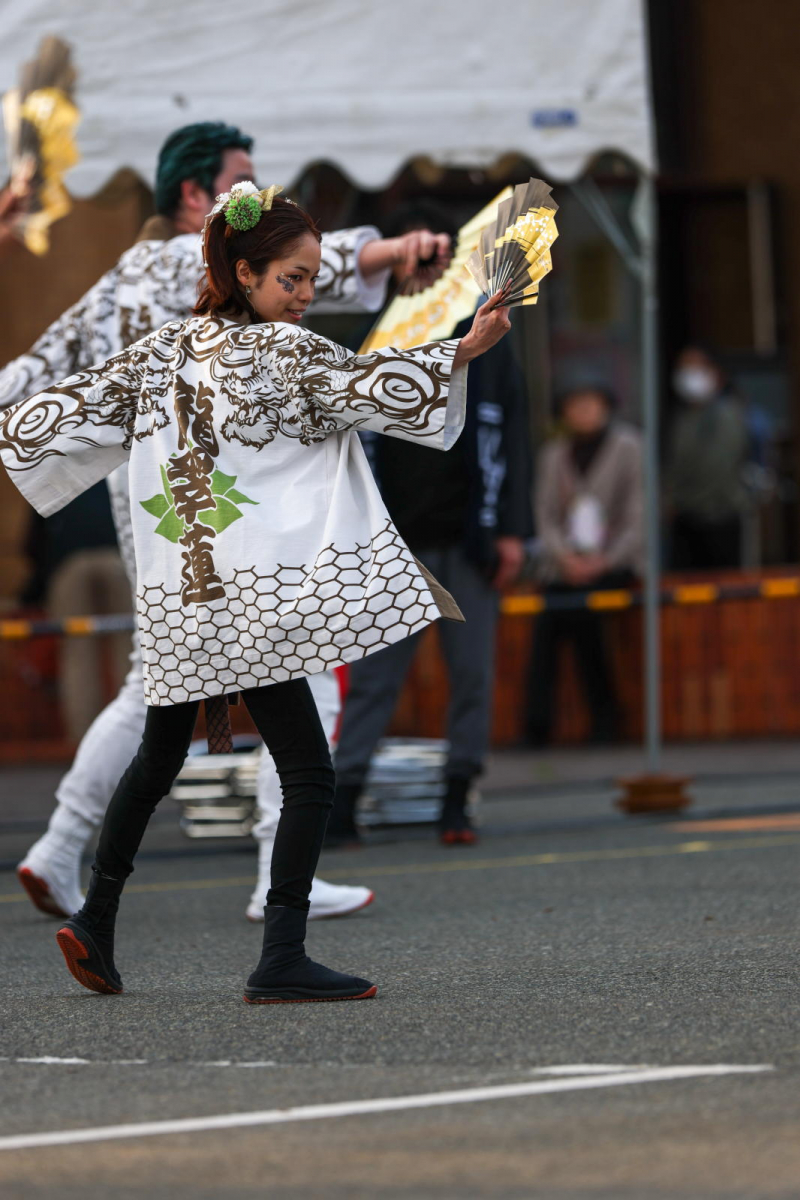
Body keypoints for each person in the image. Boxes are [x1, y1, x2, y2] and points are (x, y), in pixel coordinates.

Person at [0, 182, 511, 1002]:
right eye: (292, 279)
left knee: (157, 756)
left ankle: (95, 918)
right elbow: (370, 386)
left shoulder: (161, 349)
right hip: (254, 600)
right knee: (309, 770)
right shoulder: (285, 354)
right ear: (244, 273)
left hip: (179, 595)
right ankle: (281, 954)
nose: (306, 295)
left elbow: (56, 415)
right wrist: (463, 350)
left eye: (312, 279)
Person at [324, 209, 533, 846]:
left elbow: (513, 434)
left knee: (471, 674)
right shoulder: (376, 334)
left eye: (439, 259)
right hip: (391, 542)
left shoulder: (487, 334)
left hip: (468, 535)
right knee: (374, 680)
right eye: (417, 258)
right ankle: (344, 799)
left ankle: (457, 798)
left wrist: (512, 531)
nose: (427, 270)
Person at [526, 385, 642, 746]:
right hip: (564, 566)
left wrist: (603, 561)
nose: (583, 412)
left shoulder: (629, 447)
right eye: (574, 405)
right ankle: (537, 726)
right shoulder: (554, 453)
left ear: (606, 407)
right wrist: (565, 559)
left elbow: (639, 517)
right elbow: (543, 516)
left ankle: (605, 721)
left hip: (614, 563)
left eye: (591, 404)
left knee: (587, 622)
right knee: (546, 627)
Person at [666, 346, 748, 570]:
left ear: (715, 374)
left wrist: (679, 499)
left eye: (696, 367)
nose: (689, 373)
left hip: (719, 516)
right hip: (686, 519)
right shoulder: (682, 416)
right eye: (684, 367)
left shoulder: (727, 413)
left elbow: (717, 466)